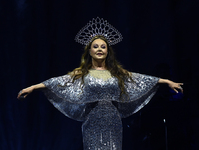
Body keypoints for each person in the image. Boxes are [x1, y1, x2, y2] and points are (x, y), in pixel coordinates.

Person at [17, 17, 183, 150]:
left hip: (113, 120)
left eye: (103, 47)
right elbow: (58, 82)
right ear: (89, 51)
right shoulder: (82, 73)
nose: (99, 49)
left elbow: (141, 79)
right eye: (95, 46)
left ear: (107, 51)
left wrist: (167, 81)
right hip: (92, 120)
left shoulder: (117, 73)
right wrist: (32, 88)